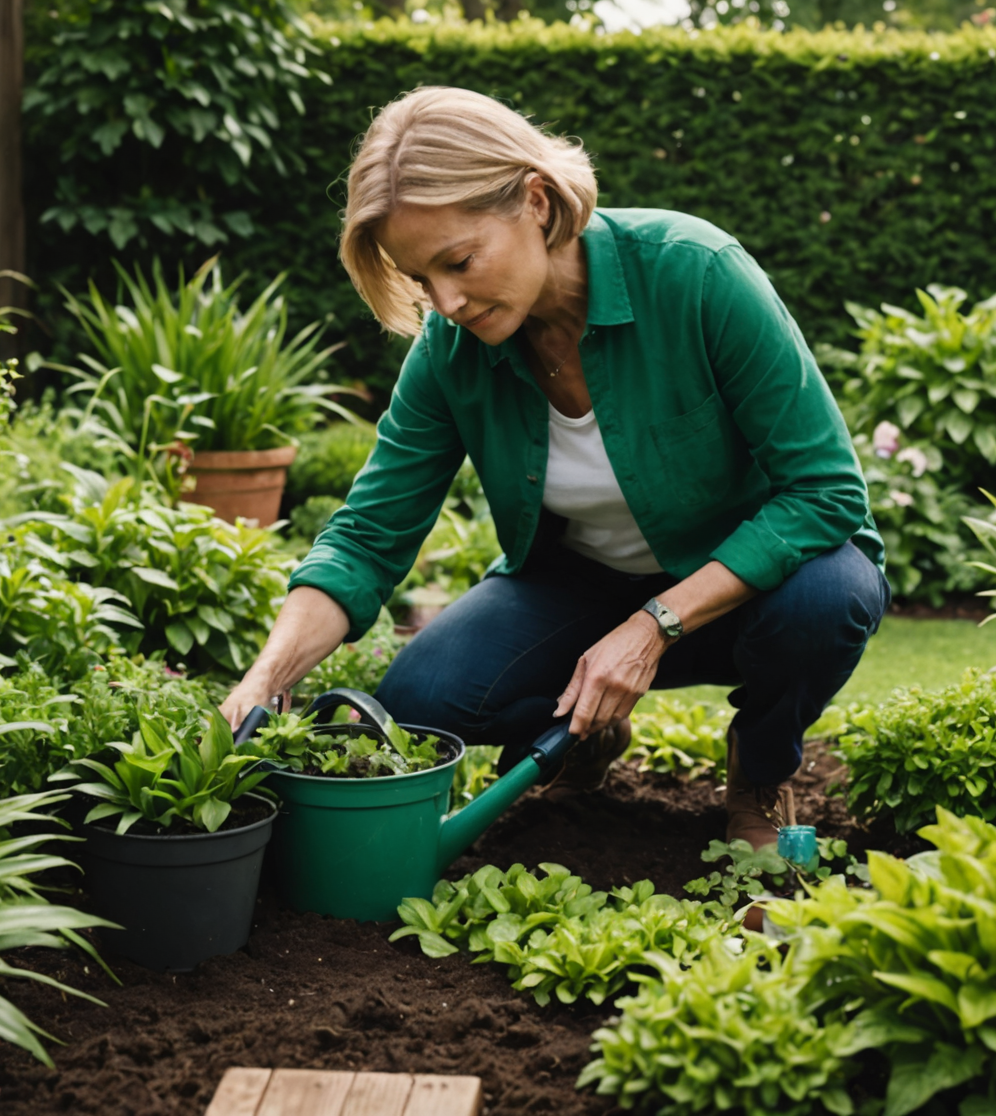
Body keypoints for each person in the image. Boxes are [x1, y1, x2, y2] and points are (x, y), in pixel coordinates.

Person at [220, 87, 886, 850]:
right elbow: (368, 536)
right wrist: (264, 679)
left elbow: (826, 493)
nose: (447, 302)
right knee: (420, 697)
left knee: (830, 597)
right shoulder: (449, 351)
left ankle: (760, 770)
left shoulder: (694, 272)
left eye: (459, 261)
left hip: (749, 592)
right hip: (579, 588)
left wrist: (653, 625)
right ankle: (583, 737)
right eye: (420, 280)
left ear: (536, 201)